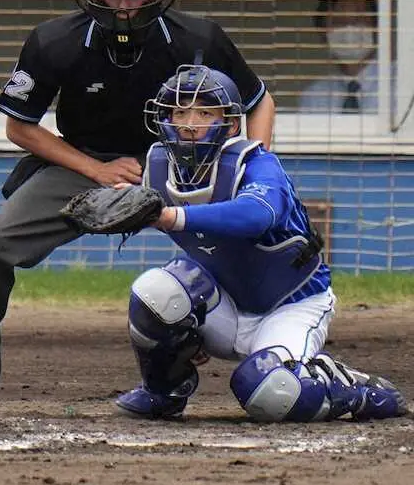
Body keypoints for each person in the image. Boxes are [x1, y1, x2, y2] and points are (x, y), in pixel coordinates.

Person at [0, 0, 277, 406]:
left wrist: (251, 168)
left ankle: (279, 345)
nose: (124, 8)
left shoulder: (199, 38)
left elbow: (259, 102)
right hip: (86, 162)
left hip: (186, 163)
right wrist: (97, 169)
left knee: (262, 238)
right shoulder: (54, 40)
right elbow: (20, 127)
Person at [114, 63, 407, 421]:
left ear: (230, 124)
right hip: (223, 303)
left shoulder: (256, 164)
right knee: (153, 292)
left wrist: (172, 216)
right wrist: (179, 335)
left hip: (289, 305)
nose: (189, 124)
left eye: (204, 113)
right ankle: (164, 390)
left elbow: (257, 215)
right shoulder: (159, 168)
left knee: (270, 393)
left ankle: (351, 389)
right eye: (179, 112)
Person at [299, 0, 384, 114]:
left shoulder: (401, 85)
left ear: (376, 28)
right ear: (323, 35)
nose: (349, 30)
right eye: (339, 22)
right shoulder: (314, 97)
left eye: (358, 20)